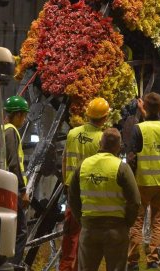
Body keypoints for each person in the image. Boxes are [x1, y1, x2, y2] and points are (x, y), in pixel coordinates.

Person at [69, 127, 141, 271]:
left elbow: (72, 198)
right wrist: (127, 223)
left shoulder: (83, 166)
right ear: (119, 147)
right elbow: (135, 201)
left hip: (89, 228)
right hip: (116, 229)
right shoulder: (122, 168)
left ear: (100, 144)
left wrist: (82, 220)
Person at [60, 97, 111, 271]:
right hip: (91, 192)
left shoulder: (73, 133)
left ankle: (66, 267)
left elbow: (64, 160)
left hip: (71, 190)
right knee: (87, 236)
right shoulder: (103, 138)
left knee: (70, 235)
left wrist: (66, 182)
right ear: (104, 118)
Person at [127, 92, 160, 270]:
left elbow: (131, 158)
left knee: (137, 221)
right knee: (157, 222)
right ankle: (153, 260)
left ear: (144, 107)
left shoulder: (139, 129)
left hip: (142, 182)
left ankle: (132, 261)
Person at [3, 95, 31, 263]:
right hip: (13, 189)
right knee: (21, 232)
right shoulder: (11, 131)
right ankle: (14, 265)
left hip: (3, 187)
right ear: (17, 114)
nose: (24, 119)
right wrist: (22, 191)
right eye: (23, 115)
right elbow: (14, 164)